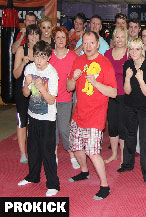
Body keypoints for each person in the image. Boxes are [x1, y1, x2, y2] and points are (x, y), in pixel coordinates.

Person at [67, 31, 117, 200]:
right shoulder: (78, 60)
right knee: (75, 147)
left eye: (91, 43)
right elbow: (68, 88)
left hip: (96, 116)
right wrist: (73, 79)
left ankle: (105, 186)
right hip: (78, 114)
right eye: (85, 43)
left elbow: (113, 92)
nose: (87, 47)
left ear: (98, 44)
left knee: (93, 152)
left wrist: (96, 83)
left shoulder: (105, 64)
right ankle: (84, 171)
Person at [18, 40, 60, 197]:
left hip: (48, 119)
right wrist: (26, 84)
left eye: (42, 57)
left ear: (48, 57)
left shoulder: (52, 73)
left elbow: (51, 100)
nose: (38, 60)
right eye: (36, 56)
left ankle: (53, 184)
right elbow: (25, 94)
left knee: (47, 151)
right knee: (33, 149)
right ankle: (33, 176)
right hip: (32, 115)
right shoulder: (29, 68)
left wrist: (42, 87)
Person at [117, 38, 146, 188]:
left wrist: (140, 79)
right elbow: (127, 91)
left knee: (144, 141)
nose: (134, 52)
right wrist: (127, 78)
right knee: (129, 136)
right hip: (130, 106)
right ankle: (127, 163)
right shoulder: (127, 65)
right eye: (131, 49)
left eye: (137, 49)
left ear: (142, 50)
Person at [49, 26, 79, 169]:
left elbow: (78, 77)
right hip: (50, 99)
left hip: (66, 98)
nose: (60, 40)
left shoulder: (73, 56)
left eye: (63, 37)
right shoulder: (49, 55)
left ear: (66, 39)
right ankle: (54, 154)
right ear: (54, 39)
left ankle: (72, 154)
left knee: (64, 129)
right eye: (58, 37)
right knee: (52, 129)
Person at [13, 24, 41, 163]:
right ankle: (23, 153)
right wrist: (23, 63)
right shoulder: (21, 50)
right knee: (22, 120)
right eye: (31, 34)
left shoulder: (41, 51)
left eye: (36, 34)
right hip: (21, 91)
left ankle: (35, 149)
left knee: (35, 121)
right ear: (27, 36)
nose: (34, 37)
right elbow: (16, 74)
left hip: (36, 92)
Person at [104, 26, 128, 165]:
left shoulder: (130, 54)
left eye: (122, 37)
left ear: (127, 39)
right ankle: (114, 154)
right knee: (112, 126)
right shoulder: (107, 54)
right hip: (110, 94)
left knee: (123, 126)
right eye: (117, 37)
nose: (119, 40)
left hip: (125, 95)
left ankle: (124, 157)